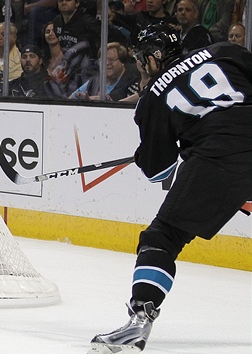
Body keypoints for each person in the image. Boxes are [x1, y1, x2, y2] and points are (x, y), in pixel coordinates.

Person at [90, 22, 252, 353]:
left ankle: (139, 320)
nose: (140, 65)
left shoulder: (151, 98)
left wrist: (148, 152)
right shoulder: (226, 51)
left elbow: (159, 172)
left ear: (154, 58)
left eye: (140, 58)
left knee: (163, 236)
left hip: (218, 157)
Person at [52, 0, 101, 97]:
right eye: (61, 0)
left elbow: (108, 36)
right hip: (70, 67)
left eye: (68, 0)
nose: (64, 2)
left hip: (90, 69)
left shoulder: (88, 22)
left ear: (77, 3)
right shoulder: (57, 22)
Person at [69, 42, 137, 101]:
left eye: (111, 60)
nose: (107, 63)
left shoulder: (132, 83)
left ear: (122, 62)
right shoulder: (94, 82)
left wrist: (90, 99)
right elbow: (71, 99)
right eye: (103, 60)